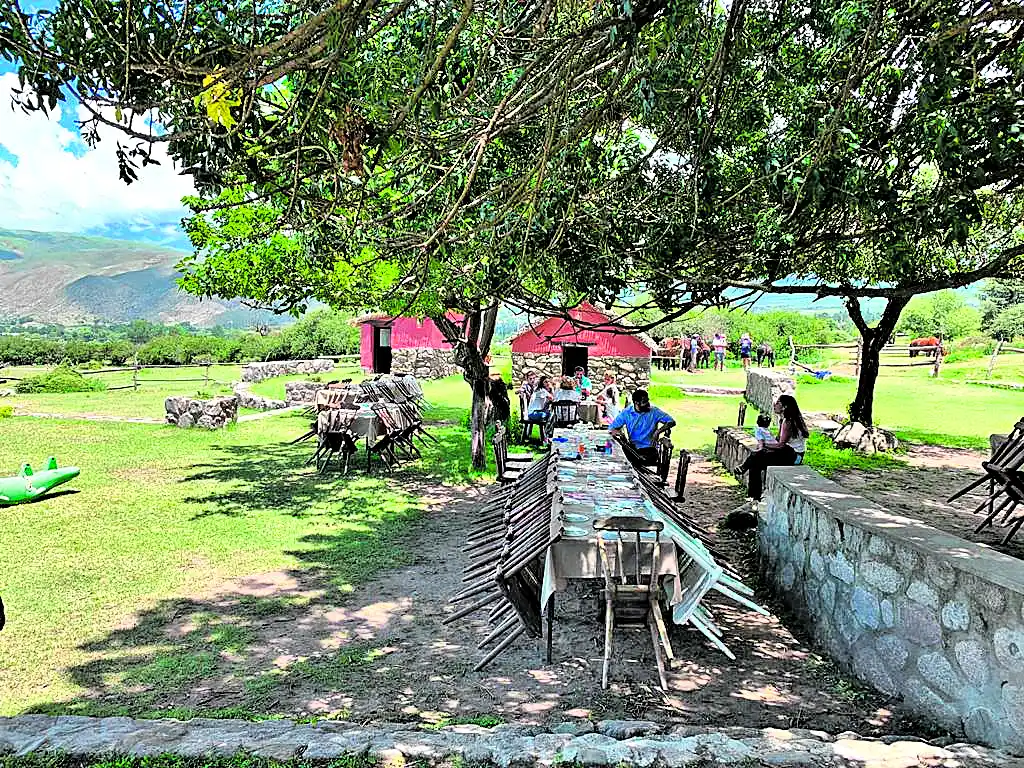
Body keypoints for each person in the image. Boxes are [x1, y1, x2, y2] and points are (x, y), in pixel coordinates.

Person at [739, 394, 808, 500]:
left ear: (784, 407)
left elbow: (781, 445)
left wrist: (763, 444)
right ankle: (754, 497)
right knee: (755, 463)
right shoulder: (784, 420)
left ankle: (744, 471)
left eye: (778, 403)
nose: (774, 405)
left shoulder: (788, 422)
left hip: (794, 456)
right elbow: (778, 441)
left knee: (756, 456)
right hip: (788, 453)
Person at [609, 389, 677, 465]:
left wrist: (657, 432)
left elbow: (671, 422)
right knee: (620, 457)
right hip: (633, 448)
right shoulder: (627, 413)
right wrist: (620, 433)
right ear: (636, 403)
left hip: (649, 449)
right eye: (644, 402)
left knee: (634, 461)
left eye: (647, 400)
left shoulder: (654, 411)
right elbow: (612, 428)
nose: (648, 404)